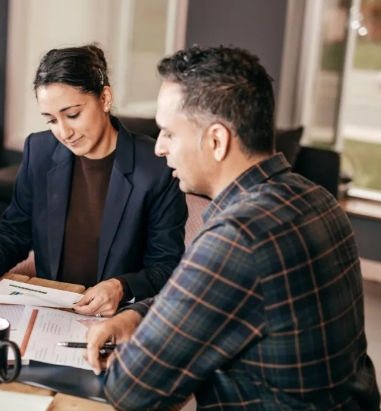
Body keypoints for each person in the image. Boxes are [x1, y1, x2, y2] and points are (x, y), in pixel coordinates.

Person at [85, 46, 381, 410]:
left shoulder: (238, 237)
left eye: (168, 133)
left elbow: (132, 392)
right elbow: (213, 296)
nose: (159, 148)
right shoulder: (316, 199)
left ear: (216, 140)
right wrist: (136, 314)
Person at [0, 44, 187, 317]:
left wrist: (121, 287)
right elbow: (15, 233)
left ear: (105, 98)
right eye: (51, 120)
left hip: (119, 319)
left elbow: (167, 264)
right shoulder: (39, 151)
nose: (63, 132)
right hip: (51, 313)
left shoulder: (156, 166)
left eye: (73, 114)